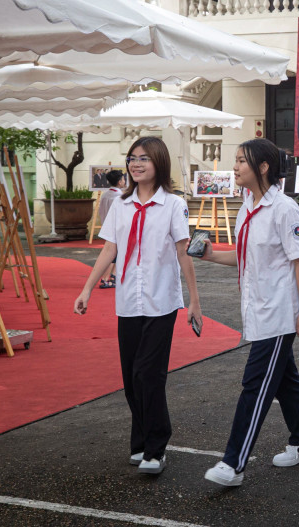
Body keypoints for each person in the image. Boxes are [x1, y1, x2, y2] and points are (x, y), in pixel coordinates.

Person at [73, 137, 203, 476]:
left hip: (161, 302)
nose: (136, 164)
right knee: (131, 376)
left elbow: (182, 253)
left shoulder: (174, 205)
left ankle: (157, 447)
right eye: (132, 158)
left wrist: (194, 301)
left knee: (149, 372)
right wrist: (87, 289)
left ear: (159, 162)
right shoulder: (121, 205)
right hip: (128, 301)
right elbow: (108, 251)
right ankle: (141, 441)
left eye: (144, 158)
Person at [201, 138, 299, 487]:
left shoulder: (284, 209)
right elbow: (244, 258)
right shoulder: (247, 206)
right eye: (235, 160)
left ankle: (233, 463)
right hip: (257, 308)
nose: (234, 167)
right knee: (284, 379)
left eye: (241, 161)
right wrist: (209, 255)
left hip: (279, 313)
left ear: (263, 167)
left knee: (256, 383)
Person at [98, 169, 127, 289]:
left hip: (107, 226)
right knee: (113, 254)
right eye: (123, 179)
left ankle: (114, 276)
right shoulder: (119, 196)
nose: (124, 181)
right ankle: (105, 278)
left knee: (117, 253)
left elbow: (101, 212)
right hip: (117, 229)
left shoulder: (105, 195)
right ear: (120, 182)